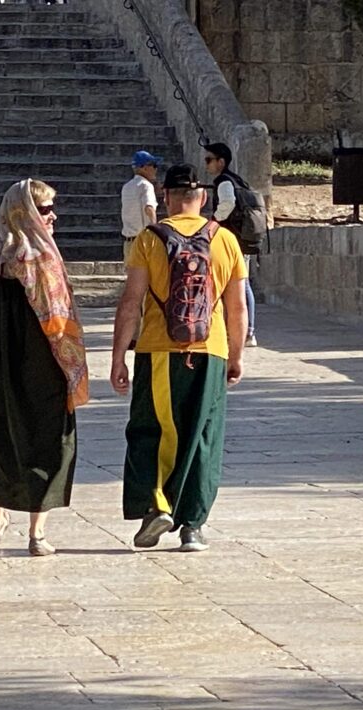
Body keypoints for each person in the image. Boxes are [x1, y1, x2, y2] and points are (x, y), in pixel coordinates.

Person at [110, 163, 248, 553]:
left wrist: (119, 356)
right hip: (212, 350)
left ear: (167, 197)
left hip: (158, 350)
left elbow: (130, 303)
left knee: (152, 430)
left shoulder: (149, 240)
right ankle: (193, 526)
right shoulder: (225, 240)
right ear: (202, 198)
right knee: (203, 436)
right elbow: (237, 308)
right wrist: (235, 355)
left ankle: (156, 507)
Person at [0, 179, 88, 557]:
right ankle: (36, 534)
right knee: (48, 442)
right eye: (45, 210)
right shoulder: (43, 261)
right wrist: (73, 371)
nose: (53, 216)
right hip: (40, 367)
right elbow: (59, 323)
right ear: (25, 213)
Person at [204, 142, 259, 347]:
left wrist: (213, 223)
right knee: (239, 283)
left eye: (210, 160)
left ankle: (248, 331)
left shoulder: (224, 182)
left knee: (242, 284)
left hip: (234, 240)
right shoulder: (236, 180)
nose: (207, 164)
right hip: (240, 239)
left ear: (221, 162)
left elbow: (227, 204)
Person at [120, 150, 160, 262]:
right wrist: (156, 231)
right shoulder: (146, 186)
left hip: (128, 242)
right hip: (143, 241)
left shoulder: (126, 187)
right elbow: (149, 208)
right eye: (154, 165)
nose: (156, 169)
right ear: (145, 167)